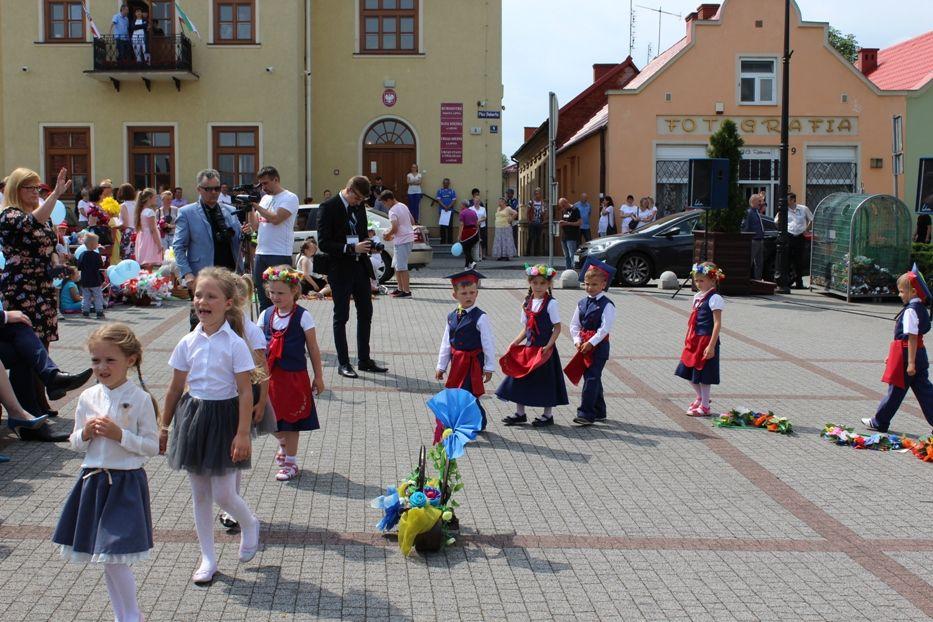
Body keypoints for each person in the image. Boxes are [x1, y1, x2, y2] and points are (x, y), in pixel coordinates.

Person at [160, 267, 261, 586]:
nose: (202, 301)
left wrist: (243, 432)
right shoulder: (187, 341)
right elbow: (175, 388)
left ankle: (250, 523)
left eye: (211, 296)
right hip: (194, 418)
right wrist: (164, 426)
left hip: (225, 419)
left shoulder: (235, 344)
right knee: (200, 494)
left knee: (224, 494)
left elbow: (246, 390)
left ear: (228, 302)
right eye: (198, 295)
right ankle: (207, 557)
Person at [52, 323, 158, 622]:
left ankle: (131, 615)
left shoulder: (140, 399)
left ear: (131, 360)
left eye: (110, 360)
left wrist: (119, 435)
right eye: (96, 360)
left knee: (114, 556)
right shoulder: (88, 398)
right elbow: (74, 443)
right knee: (105, 559)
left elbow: (151, 446)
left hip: (124, 483)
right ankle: (122, 615)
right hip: (93, 481)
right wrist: (84, 433)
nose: (102, 367)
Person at [317, 175, 388, 379]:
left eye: (361, 201)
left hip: (359, 267)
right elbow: (324, 243)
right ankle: (344, 363)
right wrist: (350, 247)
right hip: (339, 269)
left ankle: (364, 360)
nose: (358, 203)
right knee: (342, 316)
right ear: (348, 190)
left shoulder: (358, 208)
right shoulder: (328, 207)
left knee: (366, 312)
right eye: (356, 198)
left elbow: (362, 234)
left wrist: (370, 245)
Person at [258, 266, 325, 481]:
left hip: (294, 378)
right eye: (272, 292)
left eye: (281, 293)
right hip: (271, 378)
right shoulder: (265, 314)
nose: (275, 297)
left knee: (292, 423)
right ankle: (283, 443)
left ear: (294, 292)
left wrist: (319, 376)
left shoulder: (303, 316)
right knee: (268, 419)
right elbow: (257, 346)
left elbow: (313, 348)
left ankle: (291, 463)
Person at [0, 167, 72, 345]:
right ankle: (46, 374)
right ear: (16, 189)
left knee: (43, 342)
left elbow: (51, 246)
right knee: (25, 348)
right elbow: (29, 223)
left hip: (43, 285)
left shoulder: (45, 217)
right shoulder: (8, 215)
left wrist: (56, 264)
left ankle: (47, 373)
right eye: (29, 187)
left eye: (36, 187)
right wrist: (55, 195)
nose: (35, 191)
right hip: (21, 286)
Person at [862, 268, 933, 435]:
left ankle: (879, 421)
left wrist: (910, 363)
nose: (900, 295)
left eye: (902, 292)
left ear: (913, 291)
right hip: (919, 354)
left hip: (908, 355)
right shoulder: (920, 307)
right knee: (925, 391)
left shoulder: (910, 311)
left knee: (896, 389)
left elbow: (911, 338)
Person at [497, 265, 568, 427]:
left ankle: (547, 415)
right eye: (535, 283)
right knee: (519, 379)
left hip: (544, 350)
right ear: (530, 283)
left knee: (546, 381)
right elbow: (526, 328)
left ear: (549, 284)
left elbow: (557, 327)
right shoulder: (527, 302)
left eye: (542, 283)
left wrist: (549, 346)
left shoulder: (551, 304)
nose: (538, 286)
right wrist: (515, 342)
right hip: (529, 349)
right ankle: (520, 413)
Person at [173, 169, 242, 328]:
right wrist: (188, 274)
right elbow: (178, 246)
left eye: (216, 188)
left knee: (230, 323)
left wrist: (247, 231)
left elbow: (238, 241)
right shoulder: (187, 212)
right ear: (199, 189)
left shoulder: (230, 210)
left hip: (229, 274)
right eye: (208, 189)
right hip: (202, 277)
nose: (213, 192)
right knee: (200, 324)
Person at [435, 269, 495, 432]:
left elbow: (488, 343)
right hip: (457, 363)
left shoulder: (481, 317)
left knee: (467, 394)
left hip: (472, 363)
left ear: (476, 293)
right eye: (464, 293)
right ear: (455, 295)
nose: (468, 296)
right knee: (455, 392)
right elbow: (446, 343)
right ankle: (468, 421)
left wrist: (489, 367)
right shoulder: (451, 316)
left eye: (472, 293)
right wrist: (441, 366)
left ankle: (474, 421)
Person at [567, 259, 617, 426]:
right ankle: (599, 410)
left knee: (591, 378)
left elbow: (605, 328)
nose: (590, 288)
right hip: (584, 346)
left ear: (603, 285)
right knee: (594, 377)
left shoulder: (607, 305)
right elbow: (574, 324)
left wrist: (592, 342)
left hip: (598, 347)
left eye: (594, 284)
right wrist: (577, 340)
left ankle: (586, 413)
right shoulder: (581, 303)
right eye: (587, 284)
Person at [674, 262, 725, 417]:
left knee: (703, 374)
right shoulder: (697, 296)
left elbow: (717, 323)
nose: (698, 284)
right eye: (696, 280)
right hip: (695, 338)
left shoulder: (715, 298)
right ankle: (701, 397)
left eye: (701, 280)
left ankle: (705, 406)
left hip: (707, 339)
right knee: (685, 368)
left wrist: (711, 345)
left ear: (713, 280)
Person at [249, 166, 300, 311]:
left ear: (276, 180)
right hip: (261, 253)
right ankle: (264, 329)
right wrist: (249, 208)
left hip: (278, 254)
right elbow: (255, 226)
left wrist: (256, 206)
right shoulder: (265, 199)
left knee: (281, 297)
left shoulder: (290, 197)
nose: (263, 187)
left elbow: (276, 219)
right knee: (263, 296)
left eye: (265, 183)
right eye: (261, 184)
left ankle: (282, 328)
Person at [381, 190, 415, 298]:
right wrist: (394, 234)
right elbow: (412, 221)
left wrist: (387, 235)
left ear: (389, 200)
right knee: (396, 265)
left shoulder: (392, 211)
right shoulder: (403, 205)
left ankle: (407, 291)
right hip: (406, 239)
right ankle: (400, 289)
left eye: (385, 203)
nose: (385, 205)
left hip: (402, 241)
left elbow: (395, 227)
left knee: (401, 267)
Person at [776, 192, 813, 289]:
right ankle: (787, 282)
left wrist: (806, 229)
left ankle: (799, 282)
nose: (786, 202)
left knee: (799, 260)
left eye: (787, 200)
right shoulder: (784, 209)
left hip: (800, 236)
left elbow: (812, 219)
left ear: (793, 200)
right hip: (789, 236)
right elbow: (776, 221)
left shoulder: (803, 209)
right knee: (787, 260)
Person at [77, 233, 106, 319]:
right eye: (97, 243)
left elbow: (79, 266)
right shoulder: (96, 255)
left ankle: (85, 311)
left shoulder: (82, 255)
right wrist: (103, 262)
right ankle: (99, 312)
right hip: (95, 279)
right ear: (93, 245)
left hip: (85, 279)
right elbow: (99, 265)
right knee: (97, 296)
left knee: (86, 296)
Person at [133, 188, 163, 269]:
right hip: (150, 238)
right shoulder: (150, 212)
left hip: (143, 237)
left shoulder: (142, 211)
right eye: (154, 197)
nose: (156, 199)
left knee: (146, 262)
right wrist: (159, 244)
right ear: (149, 198)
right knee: (149, 261)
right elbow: (153, 230)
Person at [741, 194, 766, 279]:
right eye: (759, 201)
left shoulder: (756, 212)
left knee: (759, 263)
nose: (760, 203)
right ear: (753, 201)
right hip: (753, 241)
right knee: (749, 262)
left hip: (760, 241)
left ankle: (757, 281)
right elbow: (745, 227)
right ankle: (745, 280)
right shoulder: (749, 213)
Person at [558, 197, 582, 270]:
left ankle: (575, 270)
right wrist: (561, 223)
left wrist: (567, 223)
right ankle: (568, 271)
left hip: (572, 236)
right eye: (561, 206)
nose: (562, 207)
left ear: (566, 202)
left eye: (563, 205)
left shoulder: (575, 209)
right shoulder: (563, 210)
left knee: (573, 255)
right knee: (566, 256)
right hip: (564, 236)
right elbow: (564, 220)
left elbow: (580, 222)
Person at [457, 199, 480, 268]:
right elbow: (477, 223)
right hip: (475, 233)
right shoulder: (473, 212)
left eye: (461, 205)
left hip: (467, 233)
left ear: (463, 205)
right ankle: (466, 267)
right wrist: (478, 233)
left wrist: (459, 235)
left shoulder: (462, 213)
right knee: (468, 250)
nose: (460, 206)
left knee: (465, 250)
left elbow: (461, 225)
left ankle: (472, 262)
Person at [436, 178, 457, 245]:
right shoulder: (440, 191)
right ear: (443, 183)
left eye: (447, 183)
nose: (446, 184)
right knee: (442, 227)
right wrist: (445, 207)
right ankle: (443, 242)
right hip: (442, 211)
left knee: (450, 227)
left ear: (449, 183)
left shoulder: (452, 191)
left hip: (450, 211)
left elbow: (454, 200)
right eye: (444, 183)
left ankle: (450, 242)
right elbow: (439, 200)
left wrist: (449, 207)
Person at [527, 188, 546, 256]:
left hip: (539, 222)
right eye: (537, 194)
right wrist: (529, 221)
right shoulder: (531, 202)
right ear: (535, 194)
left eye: (539, 194)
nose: (538, 195)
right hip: (532, 222)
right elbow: (528, 212)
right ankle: (528, 252)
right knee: (530, 237)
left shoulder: (542, 203)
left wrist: (543, 221)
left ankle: (536, 252)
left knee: (538, 237)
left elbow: (544, 212)